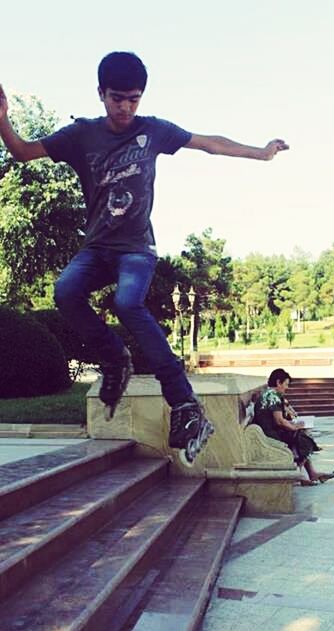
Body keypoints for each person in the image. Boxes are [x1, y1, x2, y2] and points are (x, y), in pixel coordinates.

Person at [0, 51, 289, 464]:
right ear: (101, 94)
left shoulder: (153, 131)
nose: (125, 107)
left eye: (134, 99)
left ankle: (184, 403)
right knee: (65, 291)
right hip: (97, 248)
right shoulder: (80, 136)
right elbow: (24, 152)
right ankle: (115, 356)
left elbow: (208, 143)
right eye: (117, 98)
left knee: (128, 301)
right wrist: (3, 117)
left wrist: (259, 153)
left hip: (136, 249)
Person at [253, 368, 334, 485]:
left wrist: (294, 424)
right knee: (303, 438)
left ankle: (312, 473)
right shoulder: (273, 396)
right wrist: (295, 427)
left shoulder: (269, 394)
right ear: (278, 382)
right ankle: (298, 474)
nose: (287, 388)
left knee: (302, 435)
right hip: (271, 434)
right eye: (286, 384)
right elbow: (279, 421)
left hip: (268, 430)